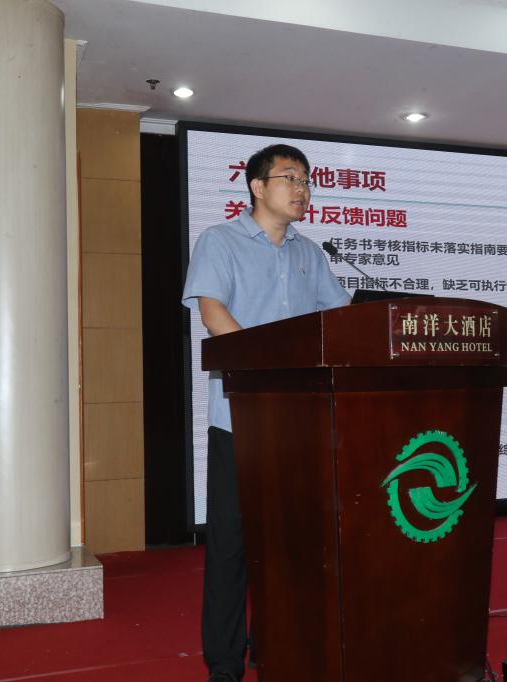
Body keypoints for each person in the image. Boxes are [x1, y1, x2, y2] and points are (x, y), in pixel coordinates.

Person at [182, 143, 350, 682]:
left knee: (290, 545)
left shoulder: (311, 255)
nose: (302, 190)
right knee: (231, 546)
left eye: (306, 181)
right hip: (241, 420)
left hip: (299, 424)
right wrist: (266, 367)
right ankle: (225, 664)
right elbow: (213, 313)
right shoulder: (220, 241)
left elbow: (341, 320)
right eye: (290, 178)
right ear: (257, 186)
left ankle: (277, 648)